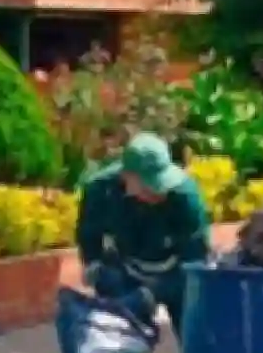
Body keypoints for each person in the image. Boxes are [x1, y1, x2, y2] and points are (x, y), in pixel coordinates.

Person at [76, 133, 213, 335]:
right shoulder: (100, 190)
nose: (159, 192)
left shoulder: (185, 194)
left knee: (195, 334)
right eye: (150, 185)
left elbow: (196, 258)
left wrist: (156, 291)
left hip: (175, 270)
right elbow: (89, 235)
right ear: (127, 176)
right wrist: (96, 269)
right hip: (127, 266)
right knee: (116, 332)